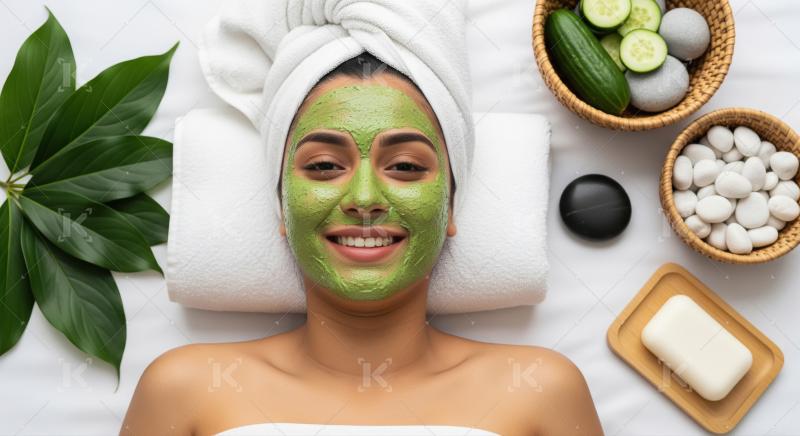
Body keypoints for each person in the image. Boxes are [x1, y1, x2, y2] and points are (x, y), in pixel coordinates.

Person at [121, 52, 604, 436]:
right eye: (325, 167)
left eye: (407, 167)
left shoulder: (541, 390)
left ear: (450, 208)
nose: (366, 199)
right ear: (282, 209)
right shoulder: (184, 389)